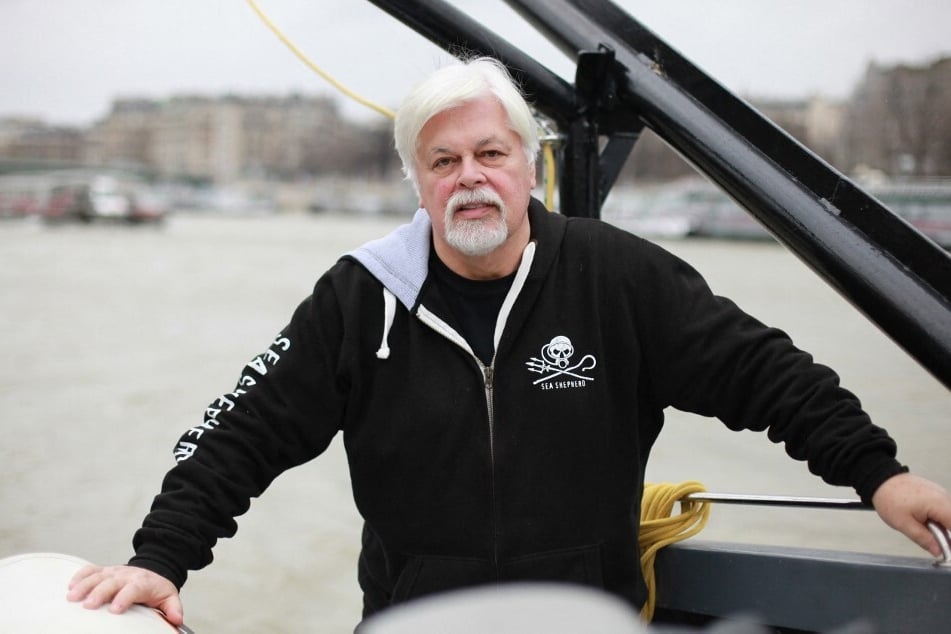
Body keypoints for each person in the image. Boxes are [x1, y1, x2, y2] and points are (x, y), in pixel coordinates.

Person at [67, 57, 951, 628]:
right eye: (443, 162)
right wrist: (158, 561)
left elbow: (764, 373)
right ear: (417, 184)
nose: (470, 179)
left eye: (490, 154)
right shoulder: (359, 299)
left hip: (584, 622)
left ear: (532, 167)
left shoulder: (617, 278)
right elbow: (238, 435)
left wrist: (876, 472)